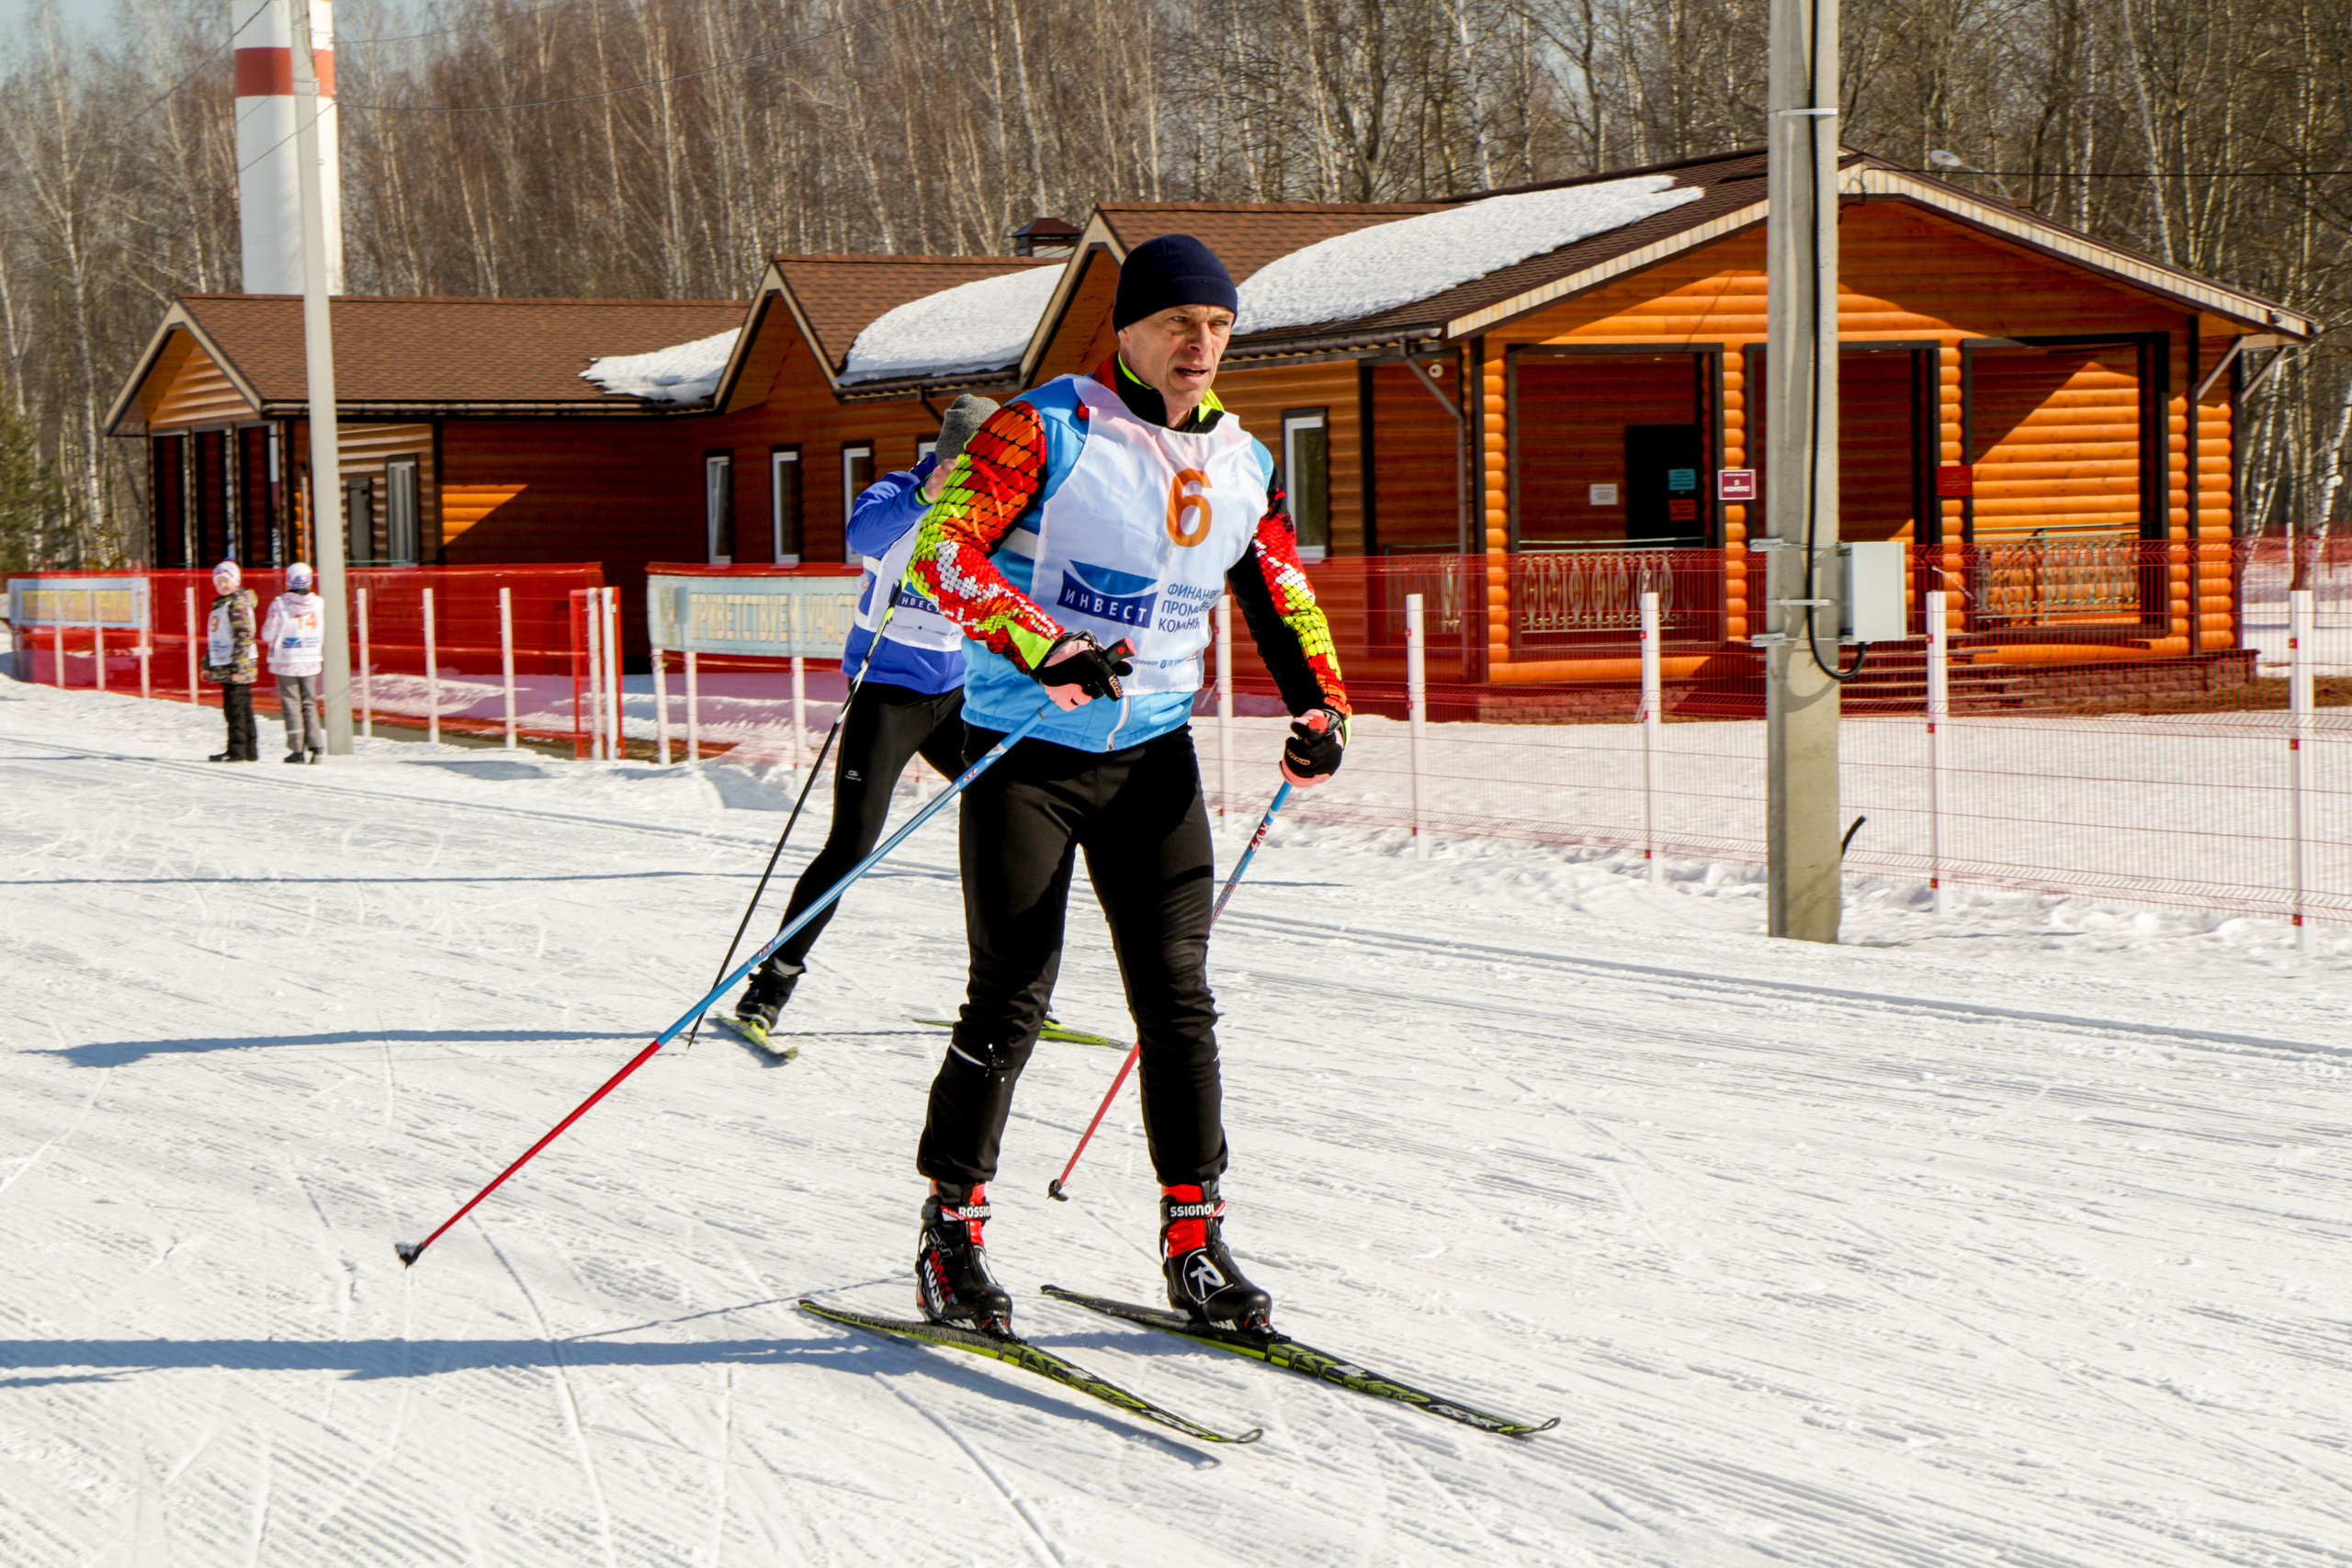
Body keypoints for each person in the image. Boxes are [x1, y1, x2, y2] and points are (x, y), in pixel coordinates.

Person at [901, 234, 1350, 1336]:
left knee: (1178, 999)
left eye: (1218, 328)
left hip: (1152, 758)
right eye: (1177, 326)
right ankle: (951, 1231)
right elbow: (941, 553)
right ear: (1128, 333)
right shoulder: (1046, 427)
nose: (1200, 346)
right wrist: (1043, 644)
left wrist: (1321, 703)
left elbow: (1278, 581)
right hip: (1029, 757)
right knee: (1011, 996)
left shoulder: (1241, 460)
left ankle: (1194, 1239)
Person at [712, 395, 1000, 1051]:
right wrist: (927, 492)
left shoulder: (992, 514)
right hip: (887, 695)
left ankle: (1006, 991)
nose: (973, 477)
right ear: (944, 452)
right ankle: (769, 989)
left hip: (955, 696)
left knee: (1010, 818)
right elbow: (861, 537)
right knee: (851, 844)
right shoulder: (898, 493)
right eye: (965, 462)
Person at [261, 561, 327, 763]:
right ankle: (316, 745)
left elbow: (267, 633)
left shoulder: (280, 604)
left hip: (286, 660)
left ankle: (297, 749)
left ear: (288, 580)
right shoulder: (318, 603)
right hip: (311, 659)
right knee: (309, 702)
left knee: (291, 704)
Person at [202, 560, 259, 762]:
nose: (222, 585)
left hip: (236, 667)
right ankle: (249, 750)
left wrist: (239, 667)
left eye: (226, 581)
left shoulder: (237, 604)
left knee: (236, 710)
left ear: (235, 581)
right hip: (226, 665)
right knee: (240, 708)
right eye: (219, 582)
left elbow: (244, 635)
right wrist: (207, 665)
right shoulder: (222, 605)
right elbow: (216, 638)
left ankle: (238, 750)